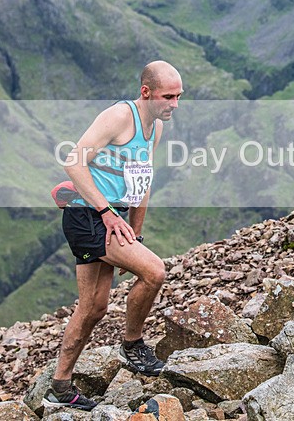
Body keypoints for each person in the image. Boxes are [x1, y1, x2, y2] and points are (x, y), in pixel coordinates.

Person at [43, 60, 183, 411]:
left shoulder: (155, 128)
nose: (175, 104)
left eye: (179, 96)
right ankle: (132, 345)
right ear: (146, 92)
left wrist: (135, 232)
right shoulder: (120, 117)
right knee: (154, 271)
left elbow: (142, 183)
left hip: (110, 218)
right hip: (87, 216)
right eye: (168, 96)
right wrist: (107, 212)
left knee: (93, 307)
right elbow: (73, 162)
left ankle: (60, 387)